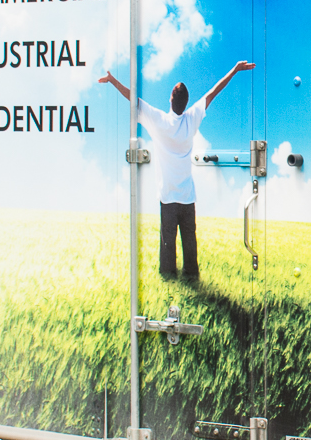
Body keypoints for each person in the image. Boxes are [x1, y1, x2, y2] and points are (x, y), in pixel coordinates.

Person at [99, 60, 254, 281]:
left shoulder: (159, 120)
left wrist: (113, 80)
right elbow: (213, 92)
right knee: (190, 242)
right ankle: (191, 275)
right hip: (187, 197)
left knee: (167, 244)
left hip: (168, 197)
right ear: (187, 103)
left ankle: (169, 276)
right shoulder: (191, 120)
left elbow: (132, 98)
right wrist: (235, 70)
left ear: (171, 99)